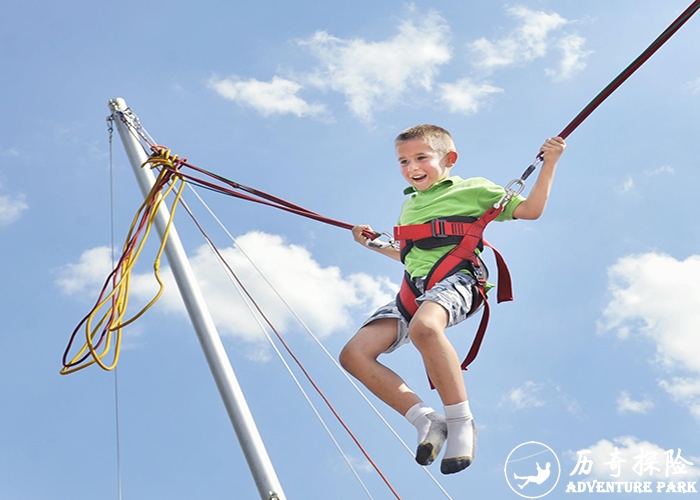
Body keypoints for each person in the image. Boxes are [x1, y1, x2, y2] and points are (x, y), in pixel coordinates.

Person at [339, 124, 566, 474]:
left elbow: (531, 210)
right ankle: (426, 420)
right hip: (415, 288)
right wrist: (373, 243)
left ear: (449, 159)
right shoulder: (409, 205)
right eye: (403, 161)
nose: (411, 167)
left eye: (420, 158)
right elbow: (410, 255)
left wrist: (549, 162)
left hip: (460, 280)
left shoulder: (474, 189)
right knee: (354, 355)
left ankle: (461, 422)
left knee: (425, 328)